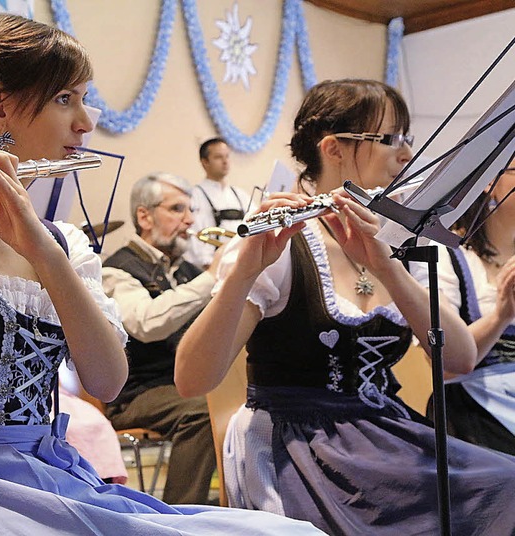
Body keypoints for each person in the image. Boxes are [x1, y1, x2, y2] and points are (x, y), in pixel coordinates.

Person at [0, 14, 325, 536]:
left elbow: (108, 382)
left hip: (50, 476)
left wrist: (45, 253)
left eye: (84, 99)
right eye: (66, 99)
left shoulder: (65, 241)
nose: (86, 122)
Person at [175, 79, 515, 535]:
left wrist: (387, 264)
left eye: (409, 138)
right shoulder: (281, 244)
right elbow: (192, 379)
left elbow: (459, 358)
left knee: (505, 485)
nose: (407, 154)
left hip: (382, 434)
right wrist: (241, 274)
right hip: (295, 445)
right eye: (390, 139)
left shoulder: (394, 240)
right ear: (333, 149)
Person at [101, 173, 217, 505]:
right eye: (178, 208)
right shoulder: (116, 269)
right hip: (138, 393)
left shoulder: (186, 271)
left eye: (191, 209)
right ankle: (181, 517)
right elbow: (146, 323)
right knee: (203, 411)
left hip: (185, 385)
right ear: (144, 216)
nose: (190, 219)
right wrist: (212, 277)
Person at [411, 160, 515, 455]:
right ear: (489, 181)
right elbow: (443, 366)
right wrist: (500, 316)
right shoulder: (443, 253)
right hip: (472, 417)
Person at [184, 137, 251, 270]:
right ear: (205, 162)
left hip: (241, 265)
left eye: (227, 156)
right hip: (210, 268)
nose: (225, 162)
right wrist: (208, 265)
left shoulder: (240, 195)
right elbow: (193, 235)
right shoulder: (194, 195)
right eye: (218, 157)